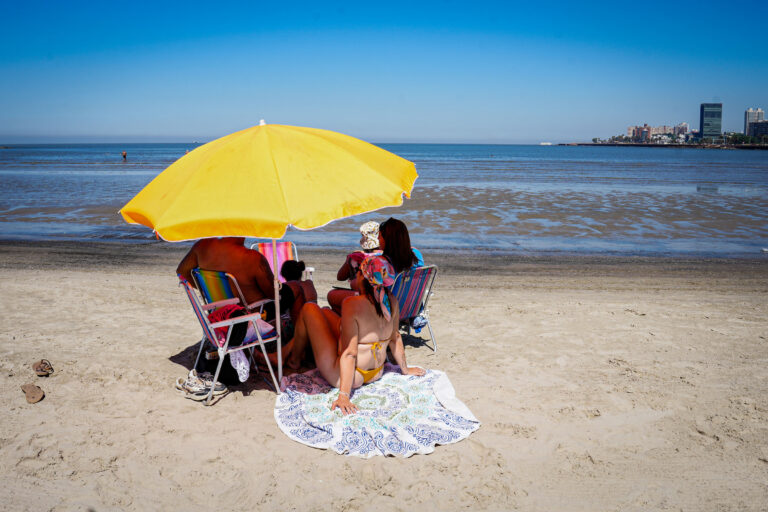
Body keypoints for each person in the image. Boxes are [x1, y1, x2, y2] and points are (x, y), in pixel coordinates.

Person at [285, 256, 425, 414]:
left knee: (309, 308)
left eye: (358, 272)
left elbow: (350, 353)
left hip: (352, 377)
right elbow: (396, 338)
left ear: (364, 277)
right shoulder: (391, 301)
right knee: (324, 312)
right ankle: (286, 353)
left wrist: (344, 395)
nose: (355, 276)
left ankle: (294, 361)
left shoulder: (352, 304)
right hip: (376, 372)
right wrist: (405, 369)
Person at [176, 237, 293, 318]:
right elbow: (273, 294)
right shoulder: (252, 258)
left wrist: (206, 291)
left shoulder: (201, 246)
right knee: (294, 291)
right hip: (251, 316)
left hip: (219, 315)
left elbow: (182, 271)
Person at [327, 221, 381, 314]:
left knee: (332, 295)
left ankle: (344, 323)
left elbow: (340, 277)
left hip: (370, 300)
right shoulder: (390, 256)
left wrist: (349, 259)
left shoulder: (357, 258)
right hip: (389, 300)